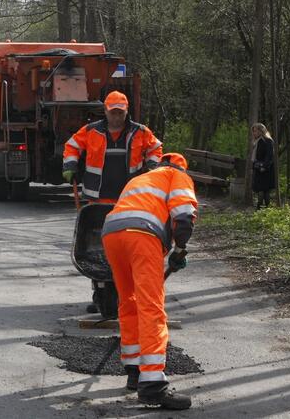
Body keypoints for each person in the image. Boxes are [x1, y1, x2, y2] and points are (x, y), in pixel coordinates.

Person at [100, 152, 198, 410]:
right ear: (180, 167)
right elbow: (184, 218)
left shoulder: (142, 178)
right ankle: (153, 385)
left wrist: (173, 251)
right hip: (141, 236)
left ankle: (134, 371)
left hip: (112, 234)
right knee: (151, 307)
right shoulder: (177, 175)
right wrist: (179, 250)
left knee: (129, 301)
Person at [63, 90, 163, 313]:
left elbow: (155, 148)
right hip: (96, 201)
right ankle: (100, 294)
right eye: (112, 112)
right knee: (98, 247)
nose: (116, 117)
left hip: (128, 200)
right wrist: (69, 165)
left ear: (126, 112)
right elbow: (71, 146)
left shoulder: (140, 132)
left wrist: (153, 165)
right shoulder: (91, 131)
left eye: (120, 112)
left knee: (126, 248)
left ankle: (125, 294)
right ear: (106, 112)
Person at [251, 123, 275, 209]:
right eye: (253, 131)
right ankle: (260, 209)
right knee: (260, 190)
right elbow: (255, 157)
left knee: (265, 191)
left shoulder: (268, 141)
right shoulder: (256, 141)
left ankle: (266, 210)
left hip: (266, 170)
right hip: (258, 168)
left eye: (256, 131)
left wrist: (264, 167)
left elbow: (269, 156)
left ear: (261, 131)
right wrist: (255, 166)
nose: (254, 133)